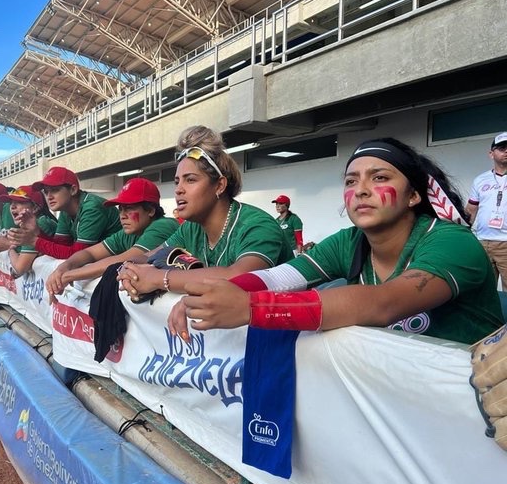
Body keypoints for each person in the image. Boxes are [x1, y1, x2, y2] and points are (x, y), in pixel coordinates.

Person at [170, 137, 504, 345]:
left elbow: (383, 304)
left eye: (380, 178)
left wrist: (251, 308)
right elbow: (278, 277)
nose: (360, 189)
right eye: (350, 180)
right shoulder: (349, 241)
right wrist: (205, 296)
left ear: (414, 195)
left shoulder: (451, 242)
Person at [117, 125, 294, 298]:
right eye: (177, 181)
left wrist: (159, 279)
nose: (179, 189)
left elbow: (241, 276)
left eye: (190, 180)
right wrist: (128, 268)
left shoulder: (257, 225)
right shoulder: (191, 228)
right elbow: (148, 256)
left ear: (219, 185)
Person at [46, 177, 179, 298]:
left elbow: (123, 259)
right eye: (120, 209)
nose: (122, 215)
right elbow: (90, 252)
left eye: (129, 208)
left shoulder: (163, 225)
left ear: (150, 210)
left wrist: (68, 276)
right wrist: (64, 267)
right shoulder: (129, 232)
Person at [7, 167, 121, 259]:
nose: (49, 196)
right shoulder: (65, 210)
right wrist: (37, 231)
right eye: (46, 192)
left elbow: (78, 255)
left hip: (121, 259)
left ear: (73, 190)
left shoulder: (91, 208)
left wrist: (33, 241)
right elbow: (60, 246)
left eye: (55, 190)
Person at [465, 132, 507, 288]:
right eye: (502, 148)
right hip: (483, 243)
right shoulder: (480, 180)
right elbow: (471, 209)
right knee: (483, 289)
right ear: (491, 154)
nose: (506, 151)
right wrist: (463, 233)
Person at [0, 185, 47, 277]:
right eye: (11, 202)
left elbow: (19, 268)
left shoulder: (41, 222)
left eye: (19, 202)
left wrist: (9, 248)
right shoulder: (30, 223)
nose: (12, 206)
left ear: (35, 208)